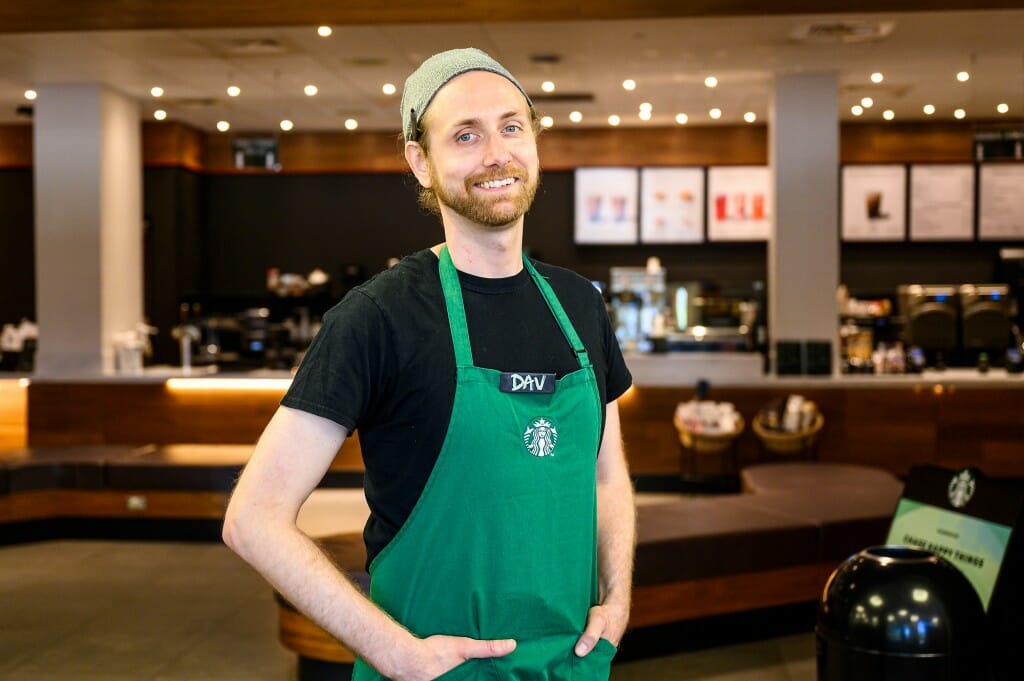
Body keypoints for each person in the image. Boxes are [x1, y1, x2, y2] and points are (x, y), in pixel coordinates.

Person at [223, 47, 636, 681]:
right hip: (432, 673)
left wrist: (617, 598)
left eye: (510, 126)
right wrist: (394, 652)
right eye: (465, 135)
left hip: (571, 665)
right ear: (421, 161)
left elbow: (607, 476)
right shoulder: (377, 317)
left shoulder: (579, 304)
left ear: (533, 141)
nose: (495, 152)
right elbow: (253, 519)